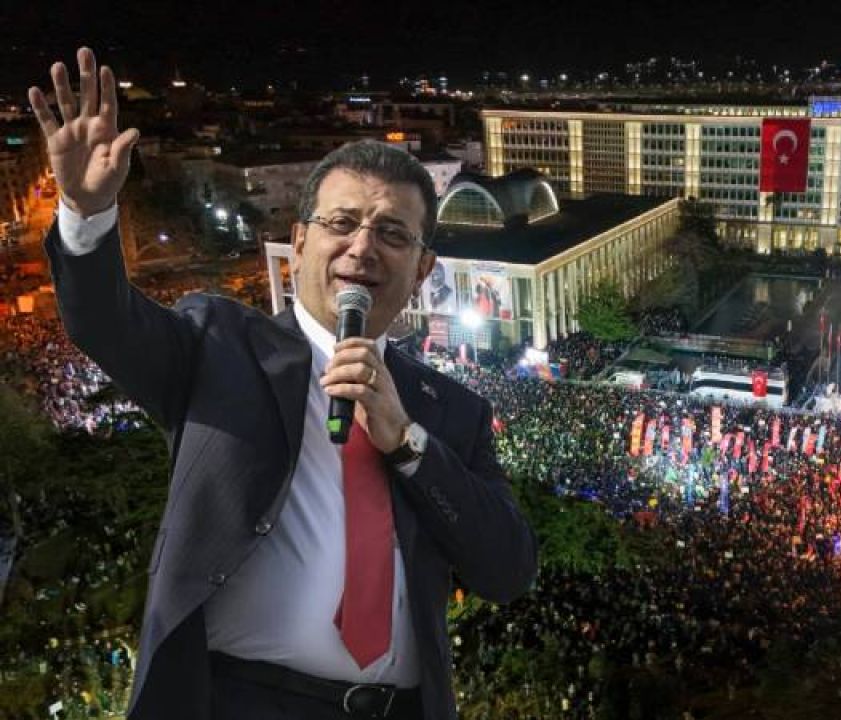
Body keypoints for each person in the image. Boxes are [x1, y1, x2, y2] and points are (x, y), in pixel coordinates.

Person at [30, 47, 537, 720]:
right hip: (239, 701)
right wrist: (85, 213)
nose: (362, 247)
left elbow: (508, 570)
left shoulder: (453, 414)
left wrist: (407, 443)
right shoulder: (219, 347)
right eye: (341, 223)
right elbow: (105, 322)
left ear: (421, 271)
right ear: (298, 243)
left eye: (392, 234)